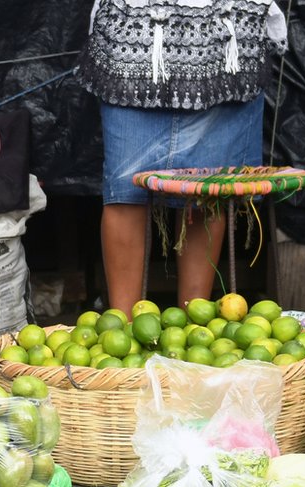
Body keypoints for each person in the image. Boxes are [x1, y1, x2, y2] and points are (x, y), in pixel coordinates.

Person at [77, 0, 287, 313]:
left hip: (224, 34)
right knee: (125, 193)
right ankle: (121, 327)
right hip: (137, 33)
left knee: (207, 189)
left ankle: (194, 321)